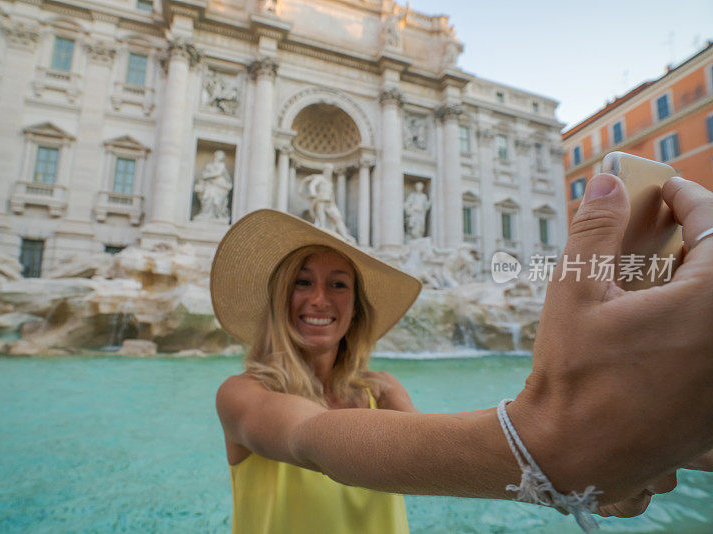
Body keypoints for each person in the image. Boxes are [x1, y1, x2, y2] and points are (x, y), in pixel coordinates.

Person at [213, 173, 713, 533]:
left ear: (356, 309)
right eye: (302, 283)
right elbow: (308, 438)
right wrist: (554, 449)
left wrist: (618, 435)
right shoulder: (242, 395)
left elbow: (440, 458)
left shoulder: (380, 388)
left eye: (338, 284)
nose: (320, 299)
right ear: (280, 300)